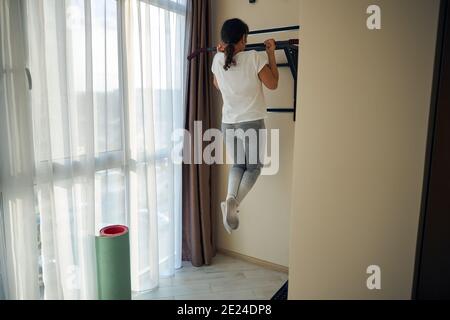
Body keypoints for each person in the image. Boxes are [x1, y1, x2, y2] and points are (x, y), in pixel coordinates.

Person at [211, 18, 279, 234]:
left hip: (228, 123)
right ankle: (234, 202)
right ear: (243, 39)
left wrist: (222, 55)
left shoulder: (217, 60)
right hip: (251, 122)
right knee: (253, 168)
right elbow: (273, 84)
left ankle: (230, 198)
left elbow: (216, 84)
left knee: (238, 166)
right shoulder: (254, 57)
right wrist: (270, 54)